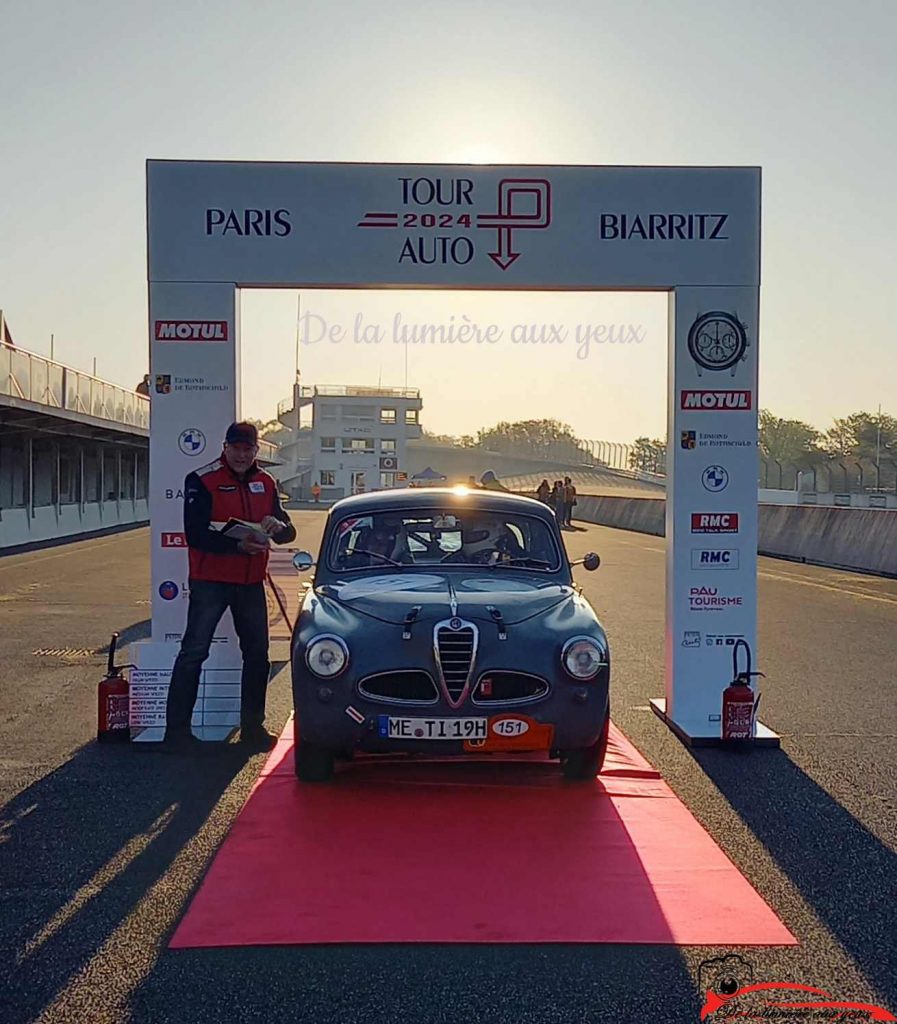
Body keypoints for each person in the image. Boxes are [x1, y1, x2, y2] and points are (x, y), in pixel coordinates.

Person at [164, 422, 297, 753]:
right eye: (235, 448)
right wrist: (236, 547)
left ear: (256, 451)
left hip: (251, 583)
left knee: (257, 655)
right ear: (225, 447)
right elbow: (194, 534)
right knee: (194, 652)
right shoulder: (202, 479)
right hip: (211, 581)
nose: (241, 454)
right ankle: (176, 732)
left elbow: (287, 532)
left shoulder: (266, 482)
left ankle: (252, 728)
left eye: (247, 449)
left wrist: (278, 527)